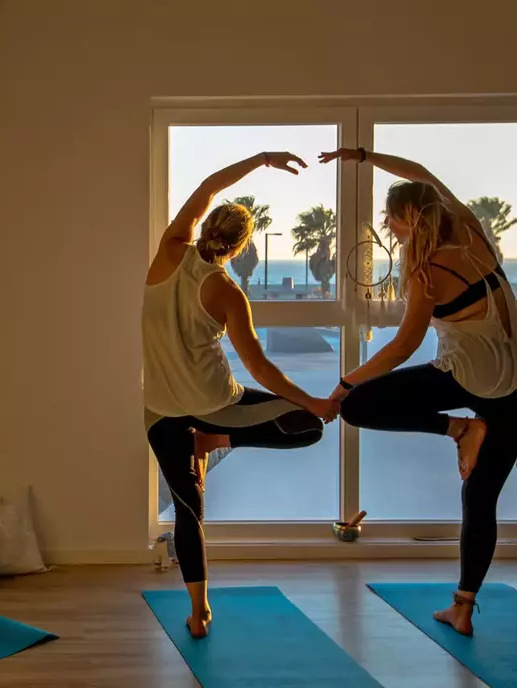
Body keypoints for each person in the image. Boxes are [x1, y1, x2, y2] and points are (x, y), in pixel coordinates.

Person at [323, 147, 517, 637]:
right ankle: (463, 607)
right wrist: (365, 156)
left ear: (409, 216)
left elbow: (403, 346)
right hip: (515, 381)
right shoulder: (476, 235)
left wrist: (345, 383)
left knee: (360, 406)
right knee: (481, 497)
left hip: (470, 376)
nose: (388, 228)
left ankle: (459, 426)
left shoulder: (426, 270)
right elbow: (424, 174)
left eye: (390, 219)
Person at [144, 151, 339, 638]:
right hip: (217, 405)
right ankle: (214, 440)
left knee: (189, 510)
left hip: (158, 411)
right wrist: (314, 402)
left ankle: (198, 611)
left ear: (205, 224)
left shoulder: (169, 250)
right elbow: (261, 369)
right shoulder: (228, 292)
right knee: (308, 427)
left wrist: (260, 160)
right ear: (240, 246)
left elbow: (209, 183)